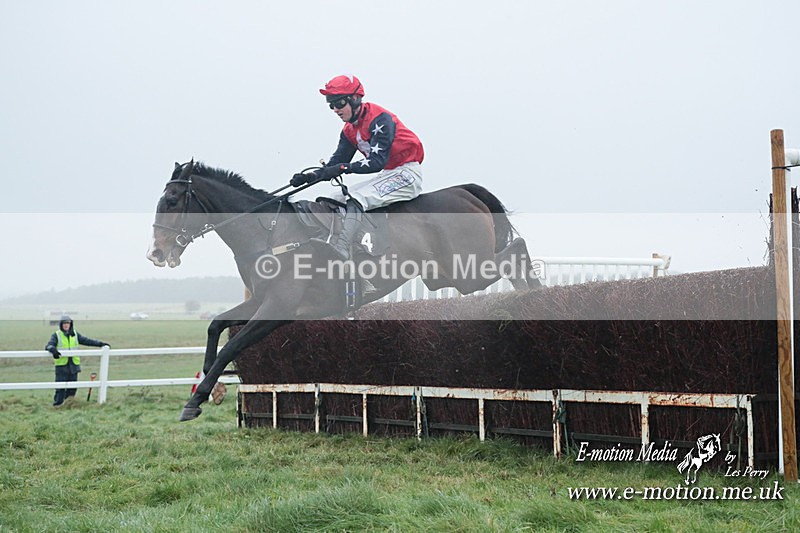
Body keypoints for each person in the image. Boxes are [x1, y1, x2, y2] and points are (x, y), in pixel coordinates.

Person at [290, 74, 425, 261]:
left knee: (355, 198)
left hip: (407, 173)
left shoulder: (380, 119)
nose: (335, 109)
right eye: (331, 105)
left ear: (355, 99)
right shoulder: (349, 130)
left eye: (339, 103)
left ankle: (342, 248)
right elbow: (335, 164)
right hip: (388, 174)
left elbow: (376, 162)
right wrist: (311, 176)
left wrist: (343, 168)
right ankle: (349, 247)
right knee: (334, 199)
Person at [45, 315, 109, 407]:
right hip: (62, 366)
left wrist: (100, 344)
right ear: (61, 324)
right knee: (60, 388)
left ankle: (69, 405)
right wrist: (53, 350)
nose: (66, 325)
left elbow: (87, 341)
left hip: (73, 366)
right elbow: (49, 345)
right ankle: (57, 406)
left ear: (71, 324)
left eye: (68, 323)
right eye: (64, 323)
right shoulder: (56, 335)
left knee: (73, 388)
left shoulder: (75, 334)